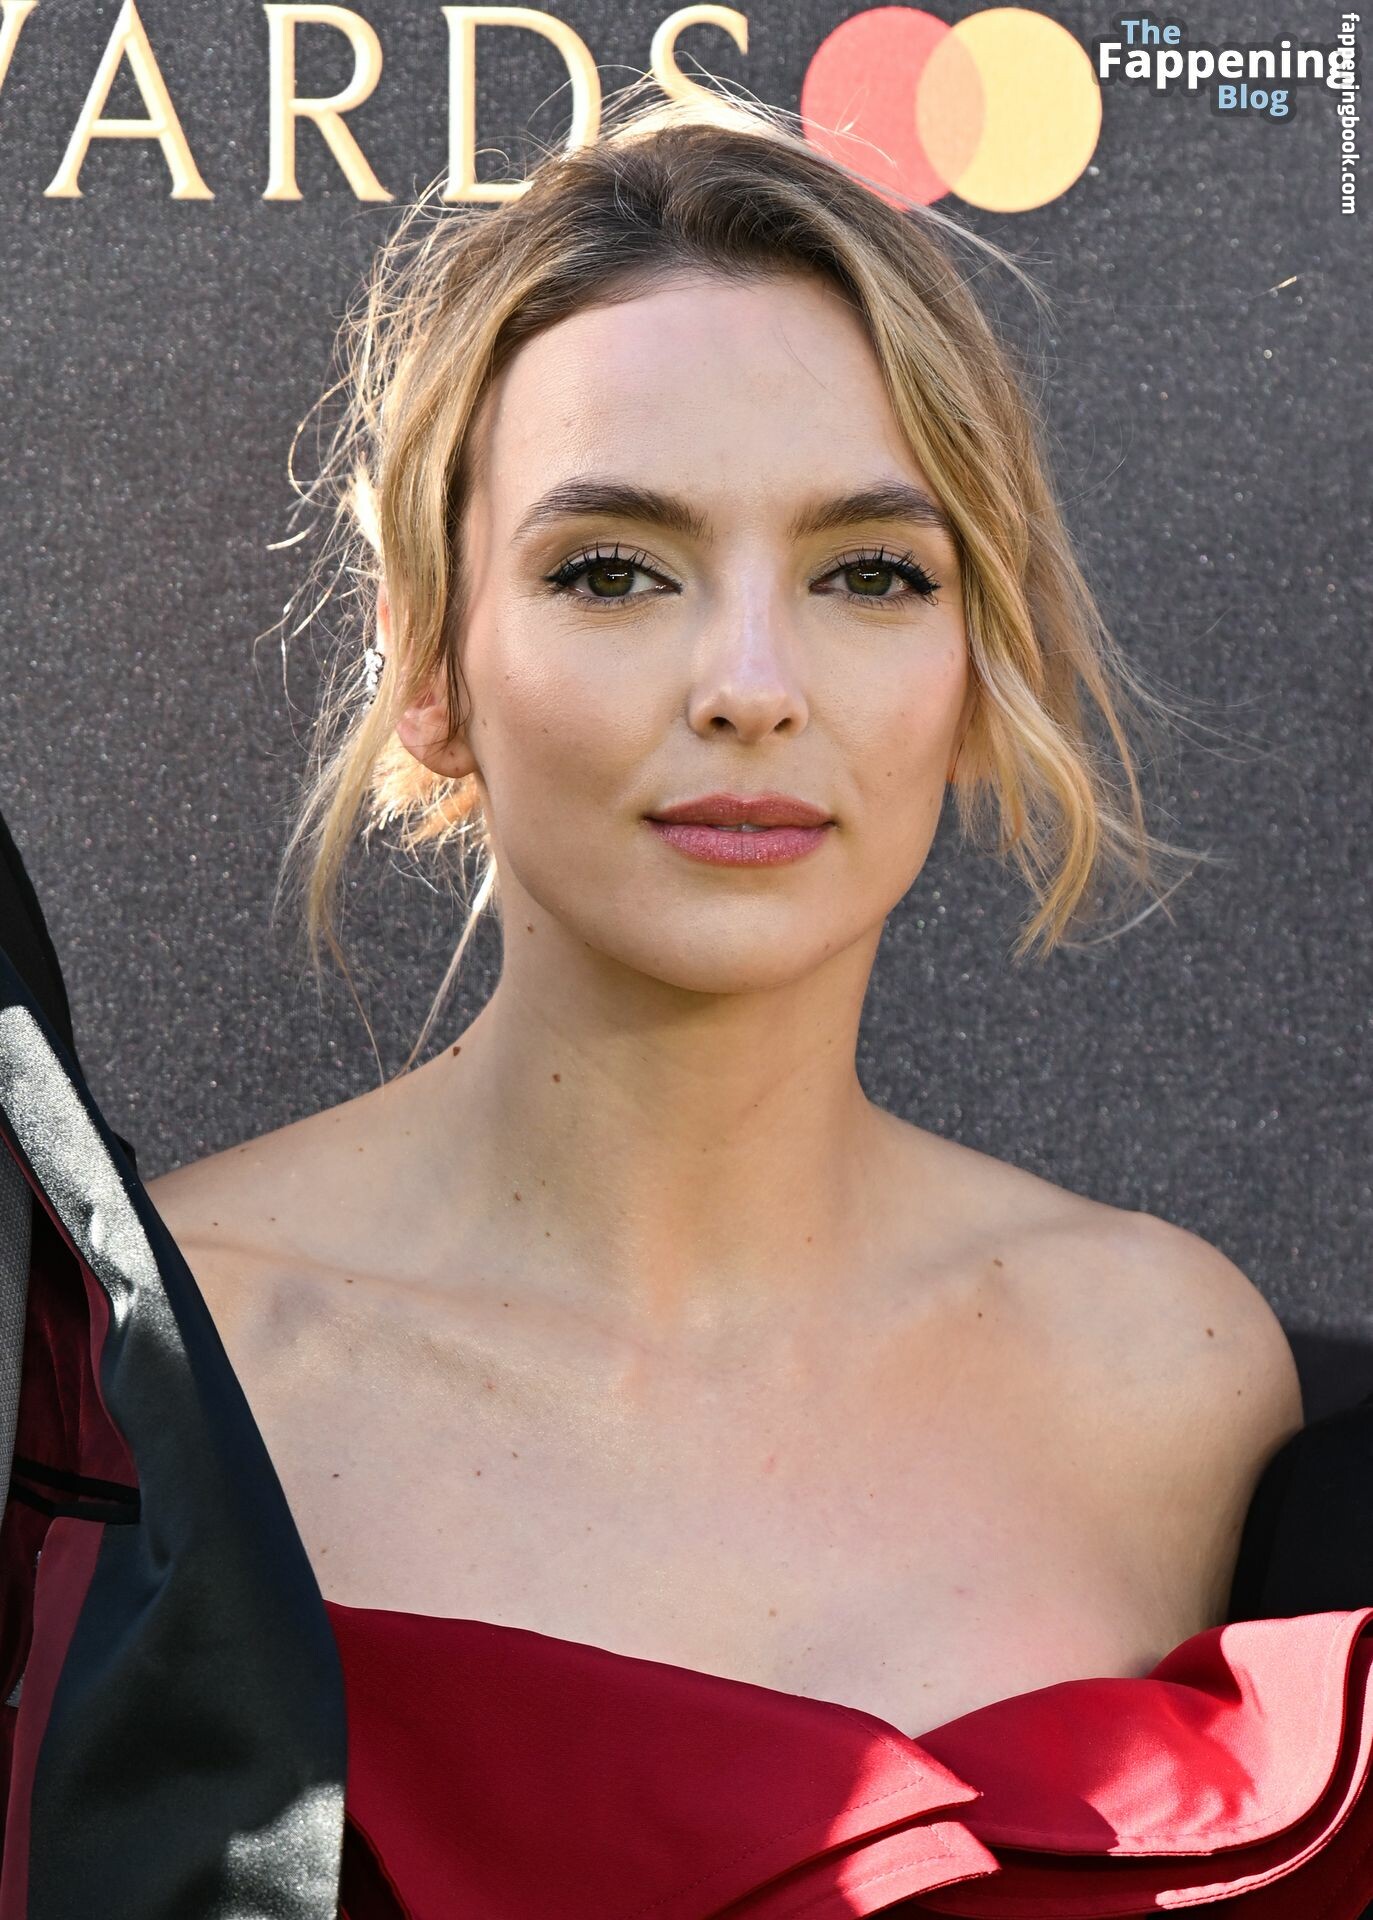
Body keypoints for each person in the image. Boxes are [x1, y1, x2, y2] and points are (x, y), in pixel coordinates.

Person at [3, 87, 1372, 1920]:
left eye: (869, 573)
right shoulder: (153, 1385)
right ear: (430, 661)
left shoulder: (1167, 1375)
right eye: (612, 571)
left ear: (978, 662)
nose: (749, 682)